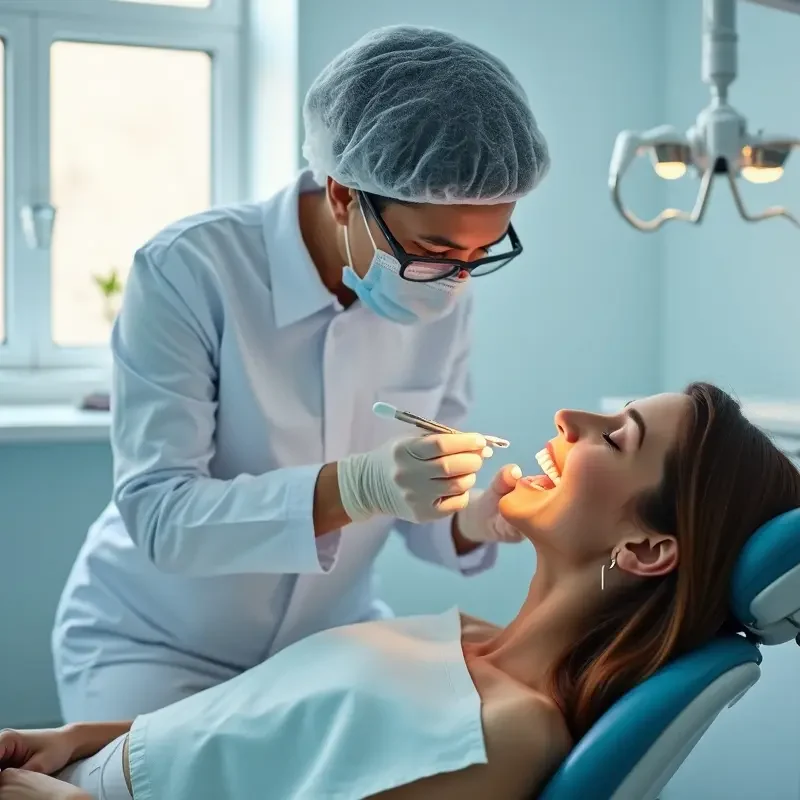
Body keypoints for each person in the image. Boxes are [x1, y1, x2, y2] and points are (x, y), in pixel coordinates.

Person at [50, 24, 551, 723]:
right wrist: (358, 484)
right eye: (435, 249)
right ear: (344, 194)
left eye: (479, 254)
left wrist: (470, 517)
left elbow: (415, 511)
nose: (454, 281)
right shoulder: (190, 271)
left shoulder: (442, 292)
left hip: (328, 641)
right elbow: (161, 517)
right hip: (156, 645)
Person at [5, 383, 800, 800]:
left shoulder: (510, 731)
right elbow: (254, 730)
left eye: (615, 435)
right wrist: (82, 737)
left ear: (649, 548)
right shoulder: (464, 637)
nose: (569, 416)